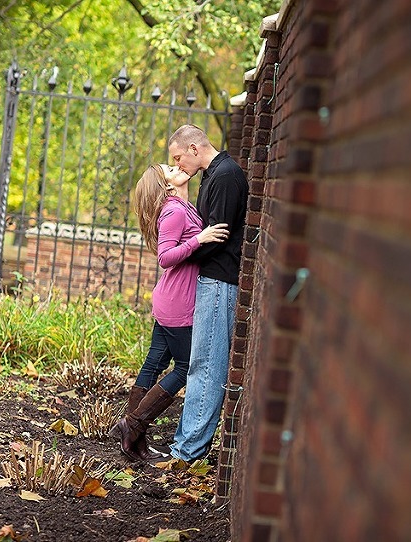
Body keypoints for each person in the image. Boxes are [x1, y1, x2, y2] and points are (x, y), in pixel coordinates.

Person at [109, 163, 229, 462]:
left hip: (170, 298)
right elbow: (165, 257)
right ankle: (134, 425)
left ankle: (132, 439)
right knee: (186, 365)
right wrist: (198, 240)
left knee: (153, 364)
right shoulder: (174, 211)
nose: (176, 166)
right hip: (177, 302)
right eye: (169, 168)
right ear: (165, 185)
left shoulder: (183, 206)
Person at [163, 124, 249, 463]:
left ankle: (188, 452)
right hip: (210, 281)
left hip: (220, 282)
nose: (178, 164)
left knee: (208, 367)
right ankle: (183, 445)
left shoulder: (226, 176)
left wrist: (182, 252)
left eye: (178, 157)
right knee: (201, 364)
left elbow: (217, 238)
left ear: (195, 148)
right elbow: (202, 231)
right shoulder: (211, 176)